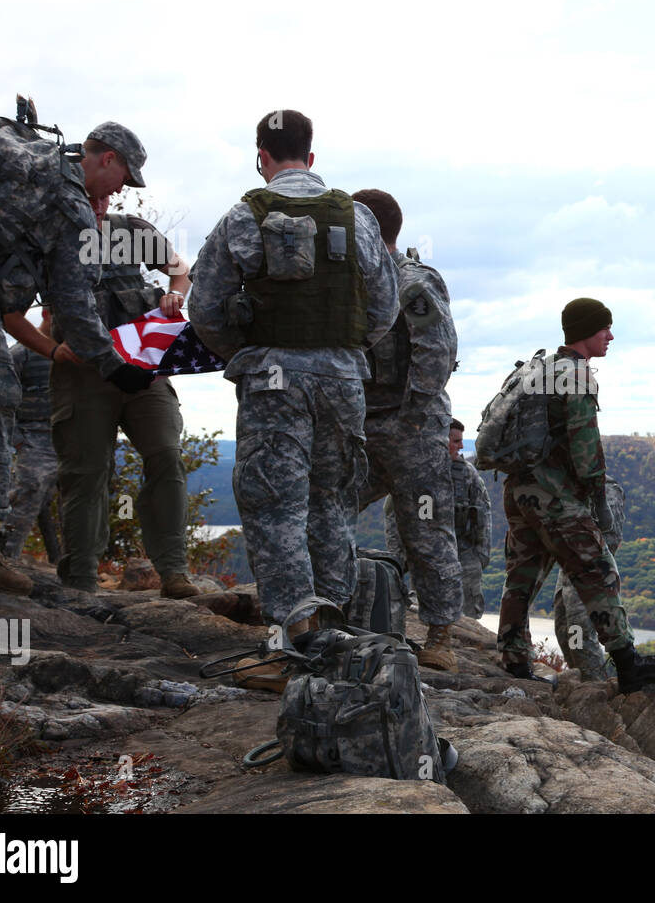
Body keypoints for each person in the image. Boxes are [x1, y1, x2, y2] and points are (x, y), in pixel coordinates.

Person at [188, 110, 398, 653]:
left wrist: (252, 354)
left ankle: (292, 643)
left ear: (261, 156)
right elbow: (384, 307)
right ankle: (338, 637)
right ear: (311, 156)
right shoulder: (358, 218)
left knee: (275, 508)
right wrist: (343, 353)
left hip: (272, 383)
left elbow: (204, 307)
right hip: (343, 381)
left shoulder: (242, 217)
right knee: (330, 501)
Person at [0, 113, 154, 596]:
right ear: (107, 159)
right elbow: (73, 302)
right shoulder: (66, 201)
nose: (118, 192)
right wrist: (113, 363)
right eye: (123, 179)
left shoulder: (27, 166)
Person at [497, 298, 655, 692]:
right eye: (604, 329)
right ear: (585, 331)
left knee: (522, 575)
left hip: (519, 490)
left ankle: (513, 660)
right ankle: (630, 664)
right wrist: (596, 497)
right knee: (598, 570)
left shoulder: (540, 369)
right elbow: (586, 450)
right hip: (554, 496)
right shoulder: (577, 375)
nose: (610, 336)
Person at [46, 133, 200, 596]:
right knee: (87, 472)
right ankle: (82, 579)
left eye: (113, 193)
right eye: (106, 189)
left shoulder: (130, 231)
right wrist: (51, 349)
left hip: (141, 369)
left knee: (166, 455)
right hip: (83, 375)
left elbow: (181, 268)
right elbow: (17, 309)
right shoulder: (53, 233)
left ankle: (173, 572)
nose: (108, 197)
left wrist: (175, 294)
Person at [351, 189, 462, 672]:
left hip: (411, 428)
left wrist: (411, 420)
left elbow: (437, 353)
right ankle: (330, 610)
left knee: (425, 530)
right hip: (362, 425)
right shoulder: (359, 283)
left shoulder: (411, 283)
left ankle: (440, 637)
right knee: (328, 508)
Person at [383, 417, 491, 620]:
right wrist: (398, 559)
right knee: (423, 612)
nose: (461, 446)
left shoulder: (468, 475)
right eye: (456, 441)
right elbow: (393, 516)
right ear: (441, 440)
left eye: (461, 441)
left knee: (467, 617)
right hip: (426, 557)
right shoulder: (413, 473)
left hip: (464, 557)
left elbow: (483, 515)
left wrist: (480, 557)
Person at [0, 308, 64, 561]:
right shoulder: (21, 353)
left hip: (71, 436)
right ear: (47, 313)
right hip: (34, 436)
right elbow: (2, 401)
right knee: (29, 490)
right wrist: (18, 440)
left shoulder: (76, 353)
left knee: (80, 498)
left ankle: (73, 566)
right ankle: (6, 555)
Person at [553, 477, 624, 679]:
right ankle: (580, 677)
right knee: (564, 628)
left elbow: (611, 536)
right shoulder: (565, 484)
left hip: (589, 567)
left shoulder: (607, 489)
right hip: (568, 564)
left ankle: (594, 685)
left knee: (581, 629)